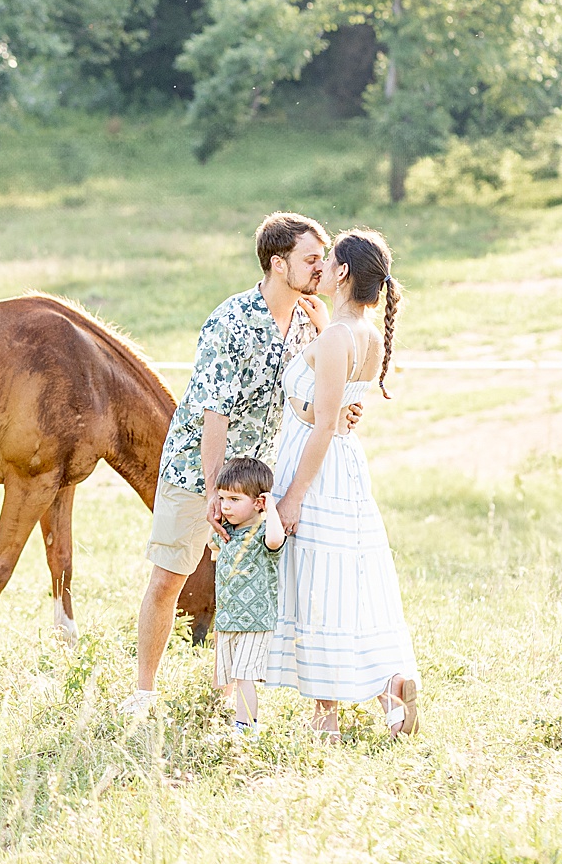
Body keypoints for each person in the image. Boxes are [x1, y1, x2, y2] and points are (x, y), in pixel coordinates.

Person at [119, 211, 359, 717]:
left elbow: (304, 399)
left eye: (323, 258)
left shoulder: (307, 322)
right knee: (169, 577)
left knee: (241, 581)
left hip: (258, 479)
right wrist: (212, 493)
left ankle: (223, 696)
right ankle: (143, 693)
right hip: (196, 470)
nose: (322, 268)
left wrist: (336, 412)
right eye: (311, 259)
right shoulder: (230, 320)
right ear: (278, 264)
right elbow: (214, 416)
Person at [268, 228, 420, 738]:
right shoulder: (367, 335)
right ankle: (390, 688)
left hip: (317, 468)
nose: (321, 269)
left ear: (344, 274)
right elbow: (330, 410)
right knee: (349, 583)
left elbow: (325, 421)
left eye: (328, 261)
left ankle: (325, 718)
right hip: (345, 467)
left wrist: (293, 497)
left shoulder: (336, 339)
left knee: (319, 587)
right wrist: (306, 405)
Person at [205, 457, 284, 736]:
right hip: (228, 619)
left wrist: (272, 507)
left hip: (255, 620)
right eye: (223, 498)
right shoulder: (227, 533)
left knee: (244, 676)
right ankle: (236, 721)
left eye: (234, 499)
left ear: (258, 503)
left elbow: (276, 540)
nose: (226, 506)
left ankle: (246, 728)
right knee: (232, 675)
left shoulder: (263, 530)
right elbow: (211, 546)